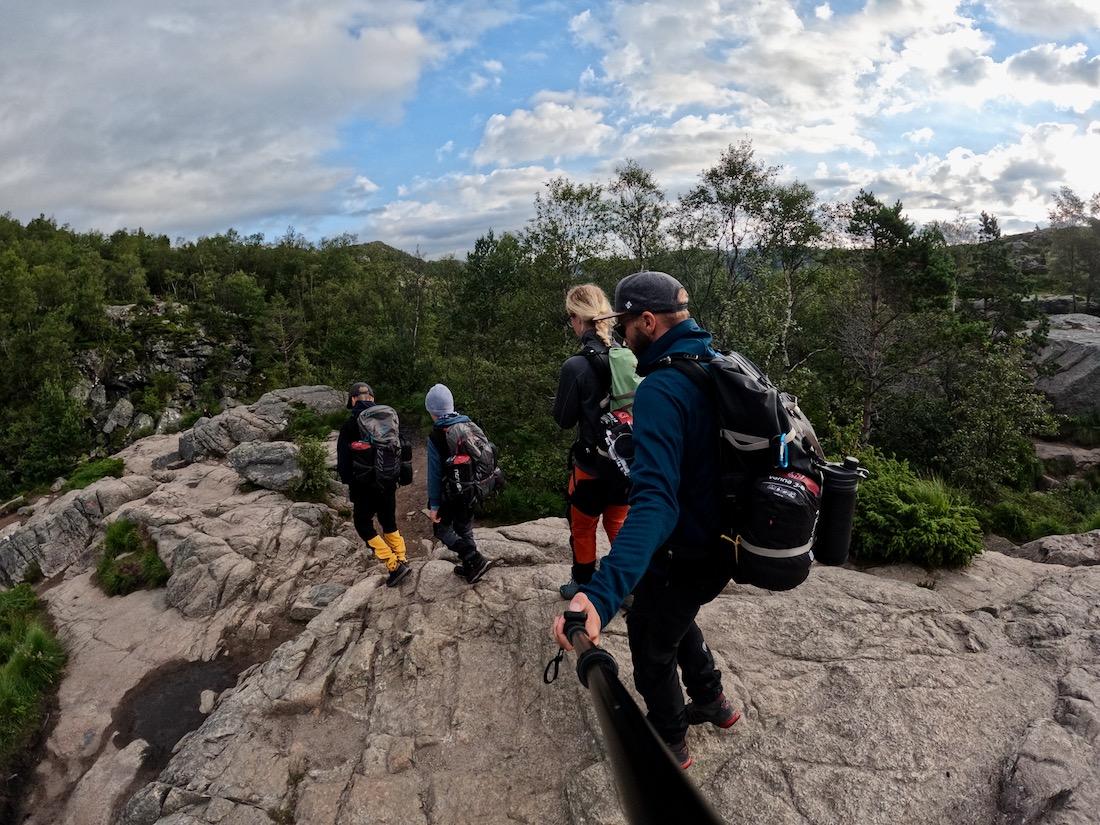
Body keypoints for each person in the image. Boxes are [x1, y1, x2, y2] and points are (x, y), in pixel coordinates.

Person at [551, 271, 741, 770]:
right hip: (724, 543)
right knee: (673, 613)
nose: (625, 335)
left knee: (651, 642)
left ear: (649, 322)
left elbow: (655, 503)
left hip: (686, 546)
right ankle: (714, 701)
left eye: (628, 323)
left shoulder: (662, 388)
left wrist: (600, 594)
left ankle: (670, 742)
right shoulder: (718, 363)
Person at [552, 284, 630, 600]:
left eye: (570, 317)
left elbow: (563, 420)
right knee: (618, 522)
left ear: (577, 318)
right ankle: (628, 586)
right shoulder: (627, 354)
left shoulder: (577, 366)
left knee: (583, 528)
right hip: (626, 462)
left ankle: (583, 585)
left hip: (590, 467)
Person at [336, 381, 411, 587]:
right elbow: (402, 447)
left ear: (353, 400)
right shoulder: (388, 418)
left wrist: (349, 482)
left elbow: (343, 462)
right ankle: (402, 558)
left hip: (364, 486)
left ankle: (393, 564)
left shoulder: (350, 425)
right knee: (389, 522)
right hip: (388, 481)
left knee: (363, 525)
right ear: (372, 398)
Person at [425, 383, 494, 584]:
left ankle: (473, 558)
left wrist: (435, 504)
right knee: (463, 527)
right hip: (474, 488)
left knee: (442, 530)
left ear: (432, 411)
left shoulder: (437, 434)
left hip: (453, 492)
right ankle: (470, 566)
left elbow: (435, 473)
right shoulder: (467, 424)